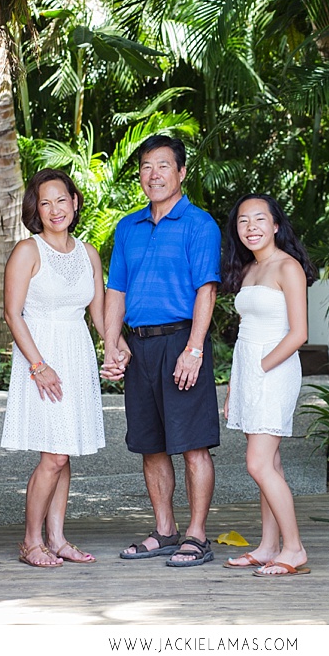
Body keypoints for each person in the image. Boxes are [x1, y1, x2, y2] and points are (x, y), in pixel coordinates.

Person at [100, 135, 222, 567]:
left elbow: (205, 290)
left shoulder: (200, 224)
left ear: (182, 173)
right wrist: (113, 343)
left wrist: (194, 350)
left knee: (192, 446)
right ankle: (166, 530)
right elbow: (116, 290)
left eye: (163, 166)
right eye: (147, 166)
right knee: (150, 445)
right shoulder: (127, 227)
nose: (154, 174)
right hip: (139, 346)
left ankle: (197, 535)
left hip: (180, 341)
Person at [0, 169, 123, 567]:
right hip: (42, 356)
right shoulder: (28, 251)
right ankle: (31, 541)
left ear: (75, 201)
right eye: (45, 201)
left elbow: (100, 312)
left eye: (61, 199)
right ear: (35, 208)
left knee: (64, 452)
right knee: (52, 456)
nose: (55, 209)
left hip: (76, 353)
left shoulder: (88, 253)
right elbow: (12, 314)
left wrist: (114, 349)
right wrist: (38, 365)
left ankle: (57, 538)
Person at [220, 194, 317, 577]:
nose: (251, 227)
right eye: (243, 221)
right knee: (270, 462)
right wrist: (235, 382)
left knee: (258, 463)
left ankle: (293, 548)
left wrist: (261, 366)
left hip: (273, 369)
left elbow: (299, 333)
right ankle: (267, 546)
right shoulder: (249, 270)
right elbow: (246, 331)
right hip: (249, 368)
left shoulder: (287, 268)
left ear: (276, 225)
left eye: (259, 219)